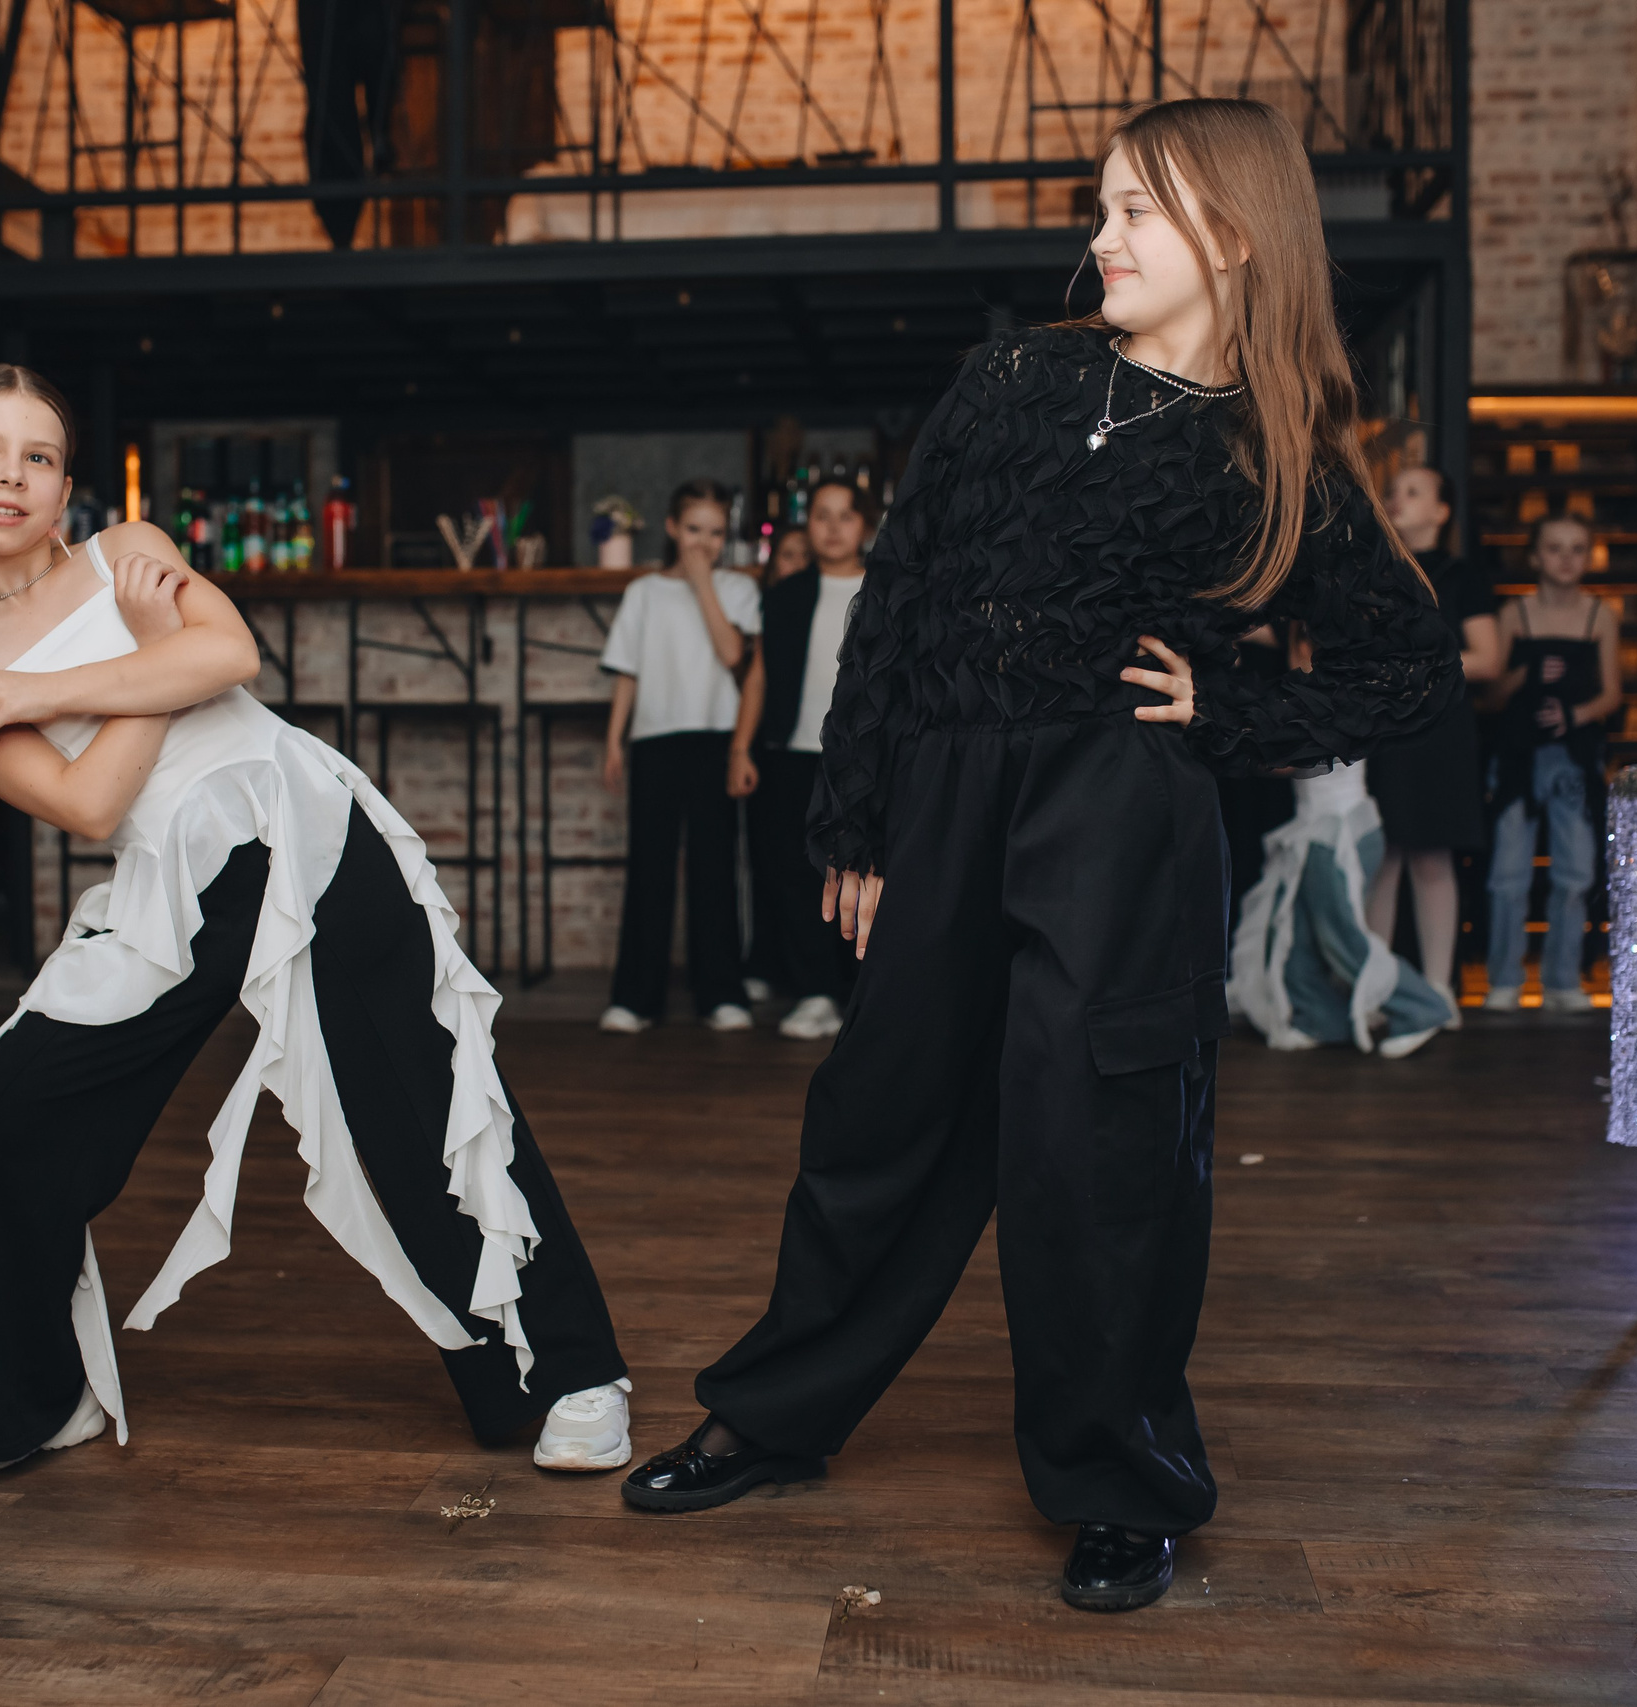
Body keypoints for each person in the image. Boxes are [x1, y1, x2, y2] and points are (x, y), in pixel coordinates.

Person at [619, 99, 1458, 1613]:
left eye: (1137, 209)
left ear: (1236, 234)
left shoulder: (1281, 456)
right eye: (1105, 204)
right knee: (881, 1115)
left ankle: (1120, 1476)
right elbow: (904, 604)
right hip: (945, 793)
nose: (1103, 234)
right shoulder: (1015, 375)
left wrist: (1233, 706)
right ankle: (775, 1414)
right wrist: (858, 812)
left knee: (1102, 1153)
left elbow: (1408, 666)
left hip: (1124, 820)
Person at [0, 365, 632, 1481]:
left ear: (65, 485)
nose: (11, 476)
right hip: (170, 877)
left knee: (424, 1090)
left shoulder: (124, 546)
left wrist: (51, 694)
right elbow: (91, 803)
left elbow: (232, 658)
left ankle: (572, 1374)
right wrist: (152, 661)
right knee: (6, 1112)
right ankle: (37, 1401)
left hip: (303, 826)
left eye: (38, 456)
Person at [596, 479, 762, 1034]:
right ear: (671, 529)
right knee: (650, 866)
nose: (704, 543)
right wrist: (614, 738)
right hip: (654, 739)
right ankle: (637, 997)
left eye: (716, 533)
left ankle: (721, 991)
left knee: (715, 867)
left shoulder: (738, 590)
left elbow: (733, 652)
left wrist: (701, 585)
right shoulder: (643, 593)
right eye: (694, 530)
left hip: (715, 737)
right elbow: (628, 671)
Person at [728, 477, 869, 1040]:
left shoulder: (887, 589)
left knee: (860, 872)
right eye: (821, 516)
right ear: (806, 527)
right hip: (789, 751)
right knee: (794, 875)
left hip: (861, 756)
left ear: (865, 526)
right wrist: (741, 746)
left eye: (845, 516)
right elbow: (759, 675)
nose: (832, 527)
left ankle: (861, 995)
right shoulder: (785, 593)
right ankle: (814, 993)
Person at [1364, 467, 1502, 1016]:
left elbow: (1490, 658)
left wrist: (1416, 670)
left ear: (1442, 512)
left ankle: (1440, 990)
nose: (1397, 497)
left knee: (1431, 858)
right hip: (1382, 725)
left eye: (1413, 491)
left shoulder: (1463, 575)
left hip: (1440, 729)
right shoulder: (1374, 571)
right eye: (1395, 490)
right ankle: (1373, 994)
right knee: (1382, 856)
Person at [1482, 514, 1621, 1014]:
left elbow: (1613, 694)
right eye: (1555, 548)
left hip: (1573, 758)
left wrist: (1574, 713)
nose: (1566, 557)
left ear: (1588, 556)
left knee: (1576, 870)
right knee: (1508, 872)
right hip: (1518, 755)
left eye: (1577, 548)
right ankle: (1504, 978)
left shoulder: (1599, 616)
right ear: (1536, 556)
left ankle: (1563, 978)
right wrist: (1526, 674)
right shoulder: (1514, 614)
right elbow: (1492, 694)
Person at [1227, 758, 1457, 1058]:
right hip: (1319, 828)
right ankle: (1319, 1022)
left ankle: (1423, 1008)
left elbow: (1289, 760)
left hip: (1339, 830)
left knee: (1342, 940)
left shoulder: (1337, 711)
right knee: (1299, 938)